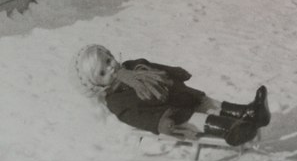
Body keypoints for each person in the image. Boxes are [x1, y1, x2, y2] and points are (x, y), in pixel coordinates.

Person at [72, 44, 271, 146]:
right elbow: (136, 117)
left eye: (108, 60)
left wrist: (175, 72)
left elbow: (155, 67)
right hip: (170, 114)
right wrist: (159, 123)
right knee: (197, 119)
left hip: (180, 95)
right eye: (102, 73)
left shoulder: (132, 65)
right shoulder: (116, 100)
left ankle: (251, 112)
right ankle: (231, 129)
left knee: (208, 103)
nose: (111, 68)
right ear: (97, 85)